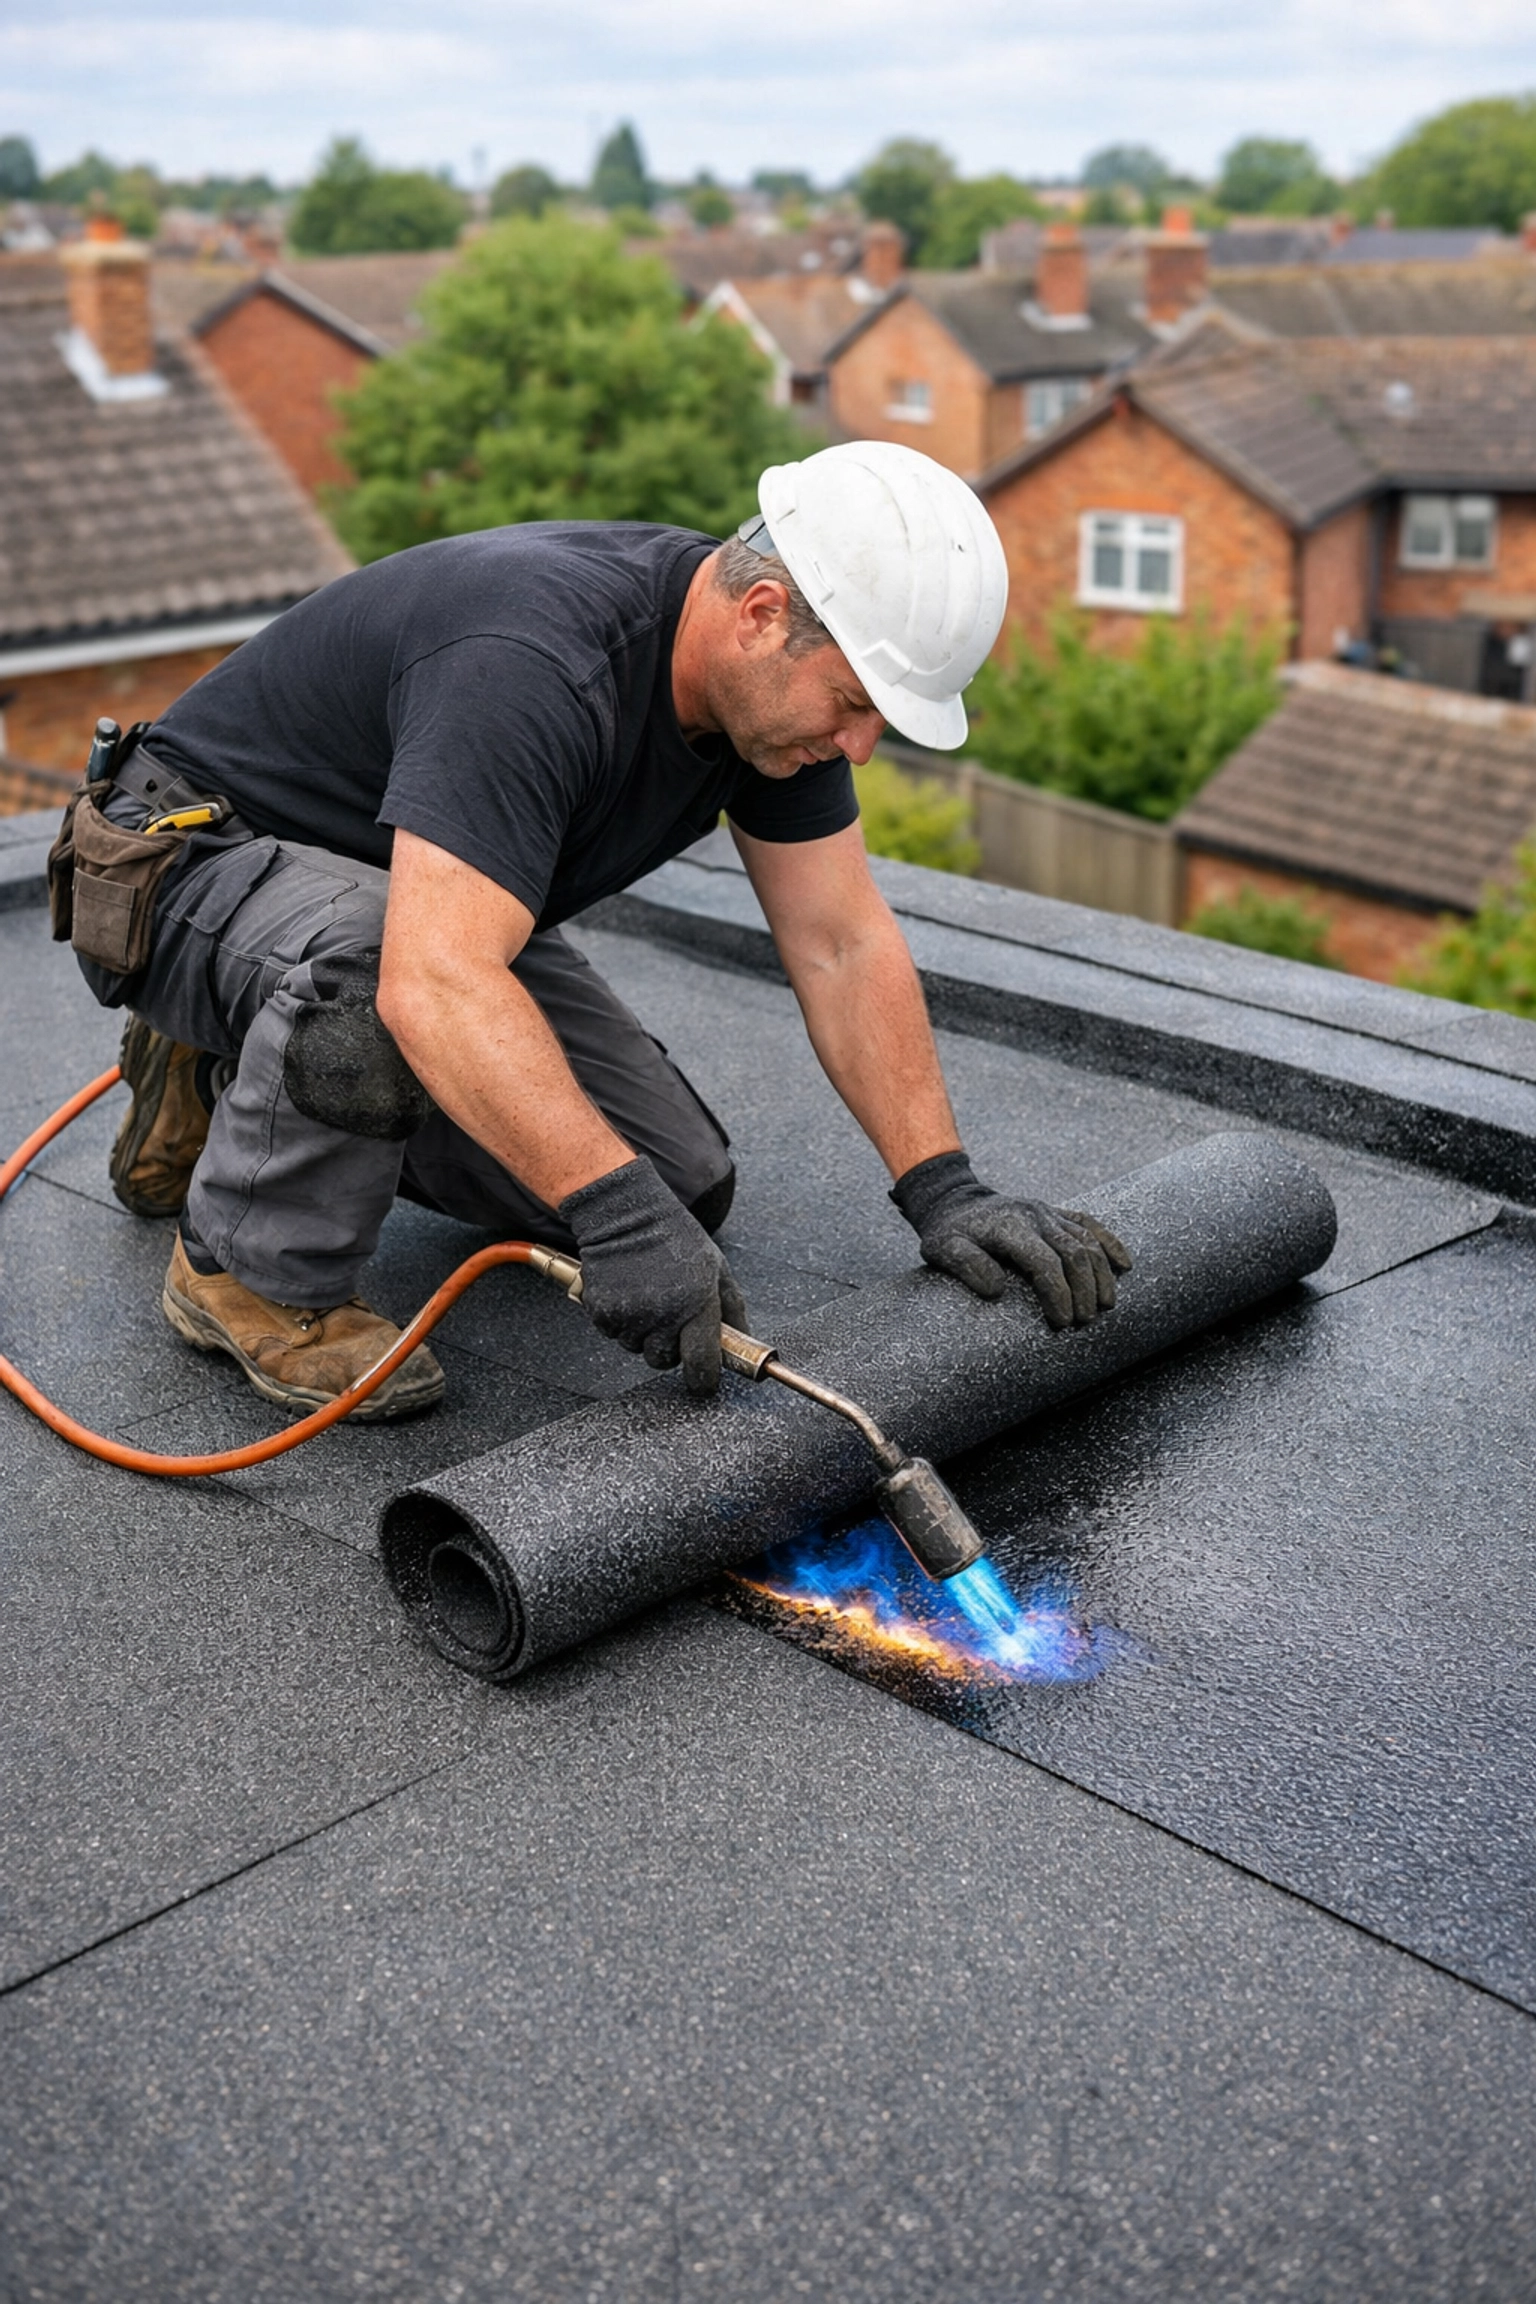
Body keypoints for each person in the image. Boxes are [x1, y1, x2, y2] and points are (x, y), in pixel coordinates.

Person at [84, 441, 1129, 1417]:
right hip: (185, 860)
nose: (858, 742)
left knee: (674, 1186)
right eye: (853, 703)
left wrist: (943, 1185)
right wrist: (611, 1215)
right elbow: (434, 978)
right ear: (763, 613)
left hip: (403, 885)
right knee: (381, 981)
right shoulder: (536, 657)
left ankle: (243, 1076)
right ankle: (250, 1276)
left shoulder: (761, 707)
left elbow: (841, 941)